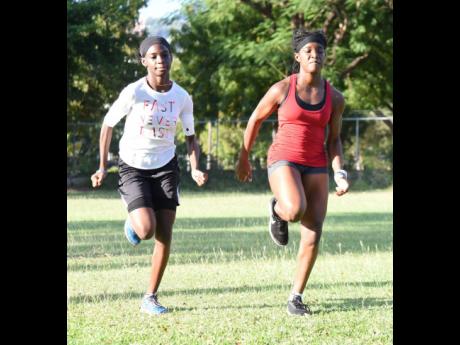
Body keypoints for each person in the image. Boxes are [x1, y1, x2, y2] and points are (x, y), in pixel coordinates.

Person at [90, 36, 208, 315]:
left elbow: (191, 137)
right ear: (144, 61)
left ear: (171, 59)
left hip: (166, 166)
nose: (160, 61)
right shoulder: (134, 92)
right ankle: (132, 221)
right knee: (145, 229)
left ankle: (150, 297)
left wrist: (194, 167)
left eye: (164, 55)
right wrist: (103, 166)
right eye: (153, 56)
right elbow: (108, 125)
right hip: (133, 165)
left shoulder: (181, 97)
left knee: (164, 234)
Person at [236, 29, 349, 316]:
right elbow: (255, 119)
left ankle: (296, 297)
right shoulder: (282, 89)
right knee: (295, 209)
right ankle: (277, 209)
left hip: (316, 162)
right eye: (308, 50)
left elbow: (334, 139)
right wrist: (244, 157)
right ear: (297, 56)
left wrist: (340, 173)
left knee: (313, 231)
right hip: (284, 157)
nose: (315, 54)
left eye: (320, 50)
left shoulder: (335, 97)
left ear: (325, 55)